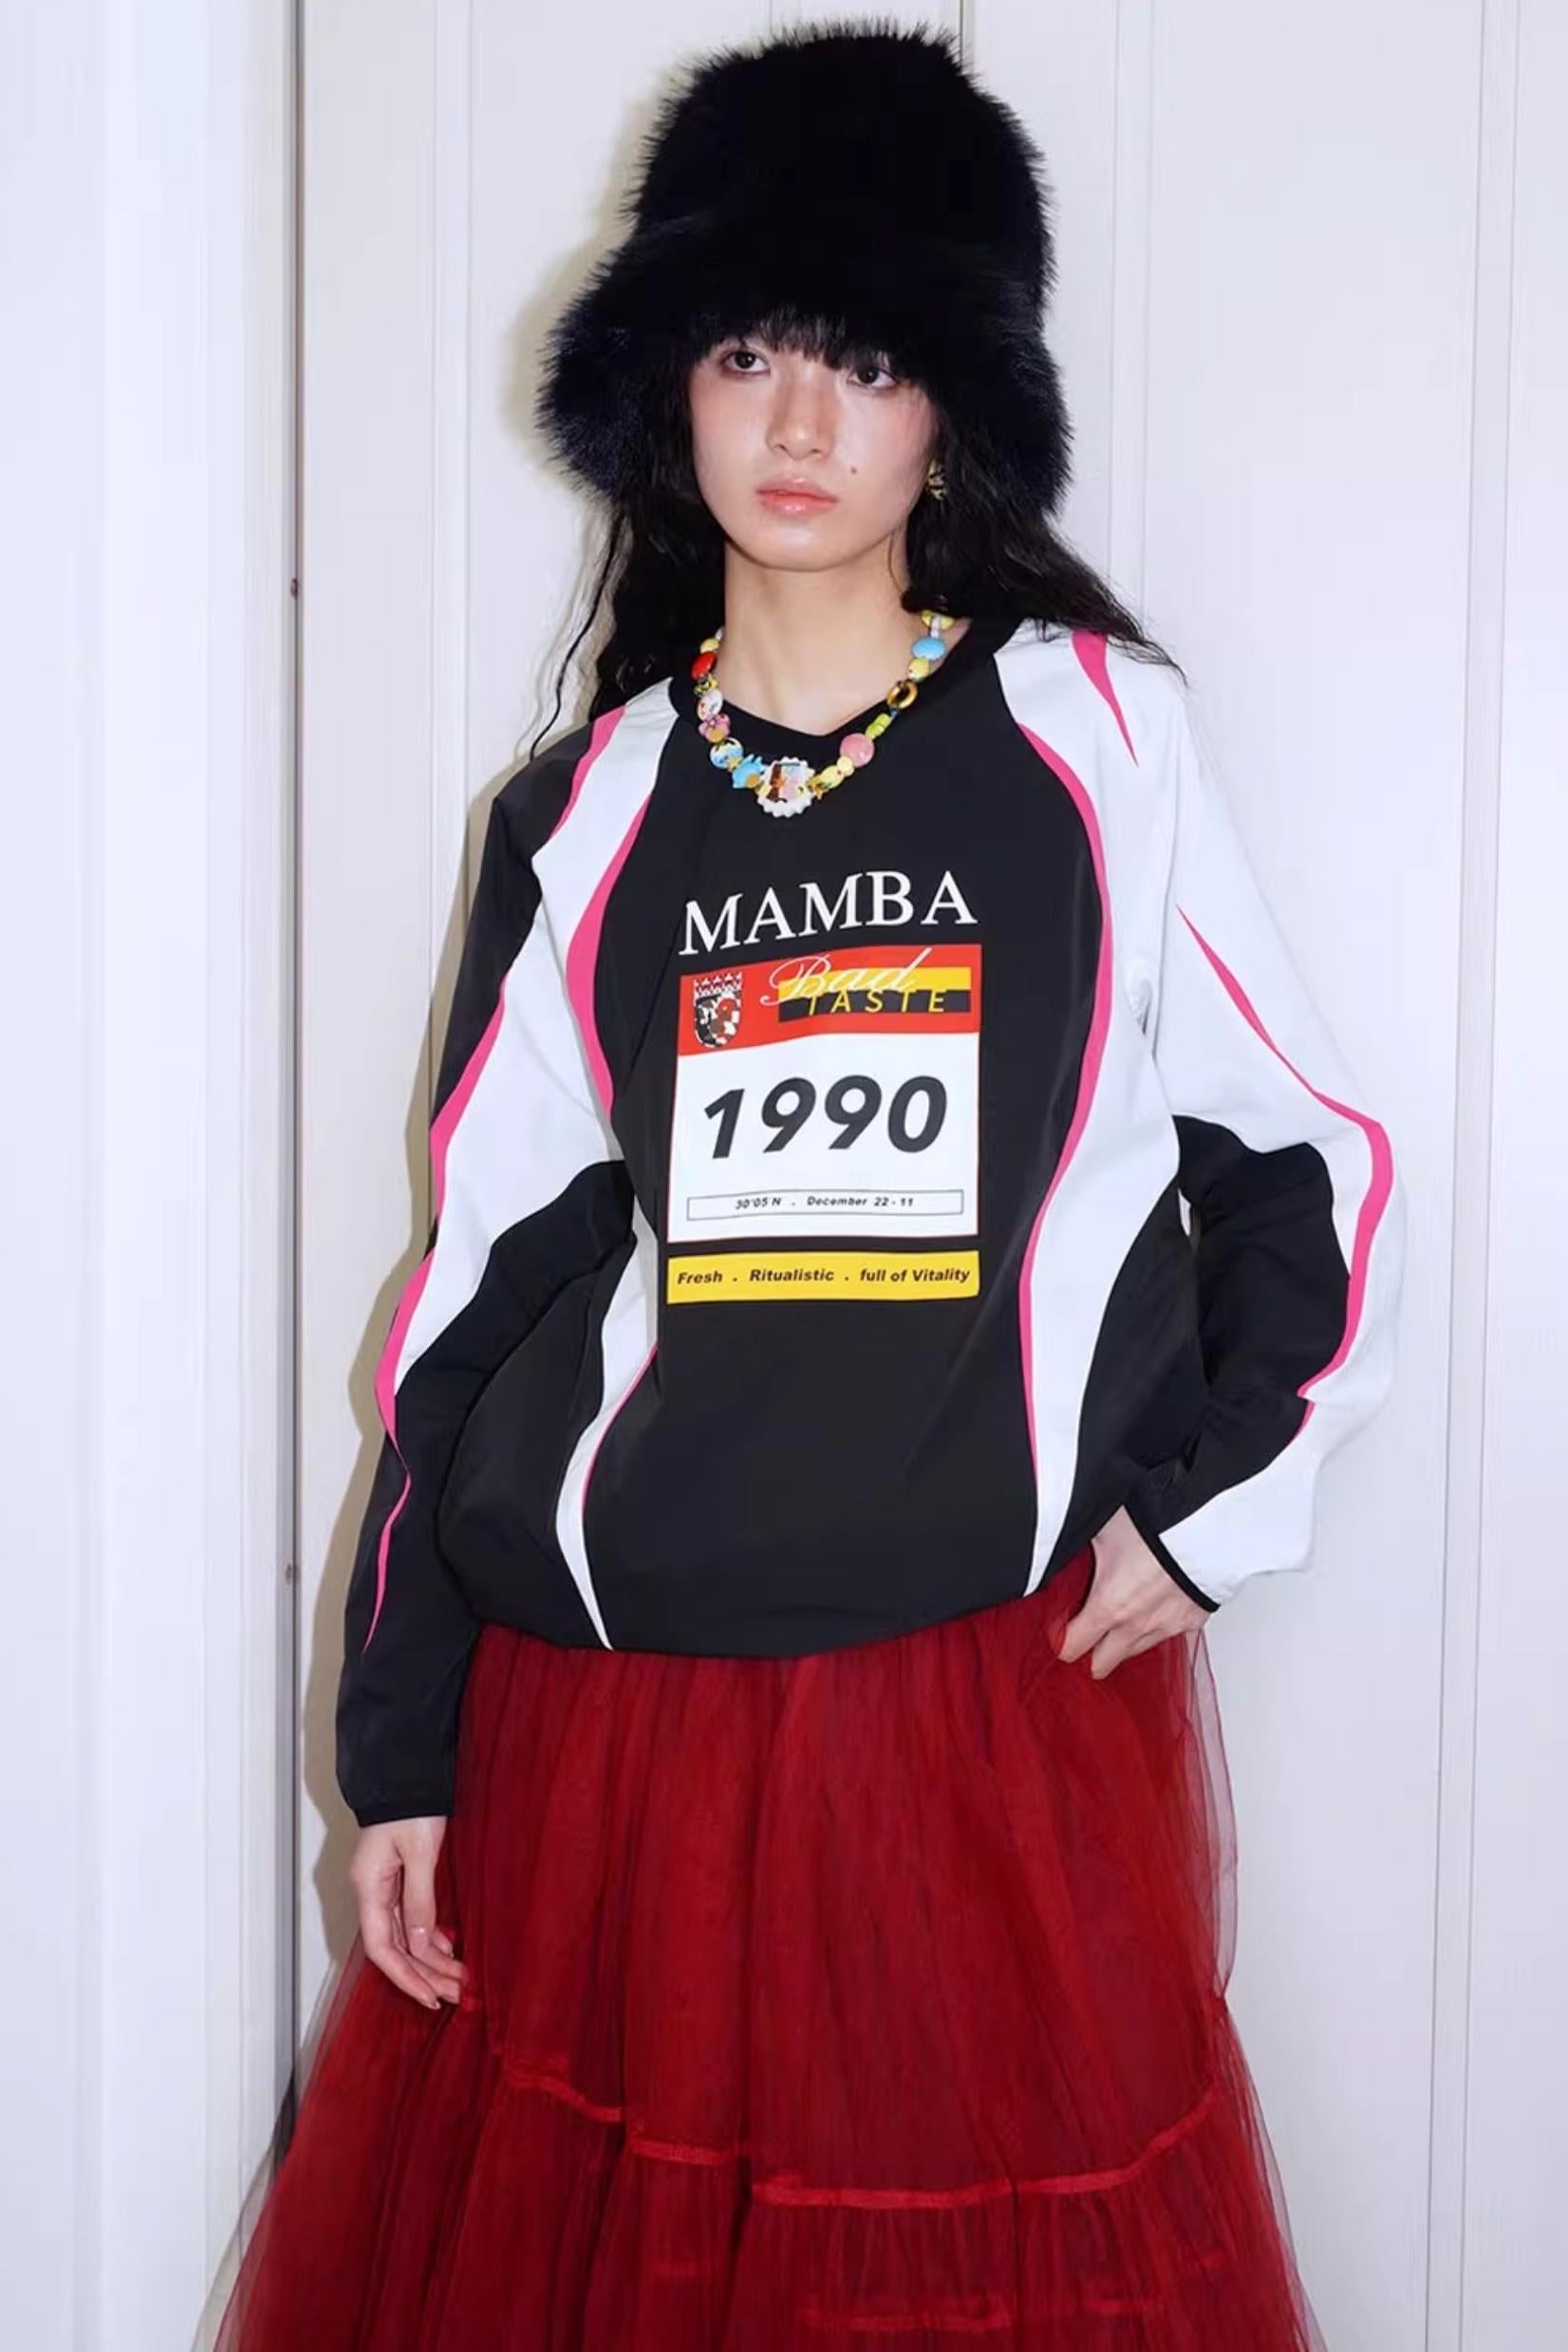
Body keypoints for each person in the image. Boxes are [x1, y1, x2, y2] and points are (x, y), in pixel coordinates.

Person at [216, 21, 1405, 2349]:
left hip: (968, 1730)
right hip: (606, 1734)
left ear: (953, 409)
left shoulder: (1091, 737)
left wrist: (1212, 1508)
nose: (796, 422)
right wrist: (400, 1746)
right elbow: (474, 1308)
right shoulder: (579, 812)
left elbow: (1304, 1163)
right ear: (661, 383)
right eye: (747, 351)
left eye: (865, 363)